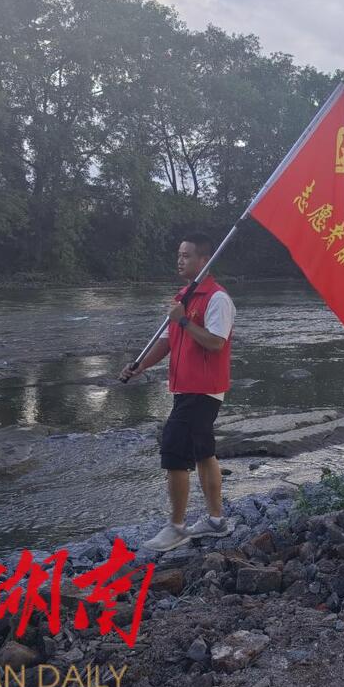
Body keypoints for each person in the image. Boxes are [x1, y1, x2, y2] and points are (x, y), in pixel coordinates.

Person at [119, 233, 236, 552]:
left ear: (204, 260)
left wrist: (183, 320)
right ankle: (216, 521)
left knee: (173, 451)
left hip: (203, 389)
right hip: (186, 388)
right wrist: (140, 365)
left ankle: (177, 527)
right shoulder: (183, 296)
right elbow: (167, 341)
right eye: (179, 255)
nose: (180, 260)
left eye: (186, 255)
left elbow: (216, 342)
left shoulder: (217, 298)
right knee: (203, 452)